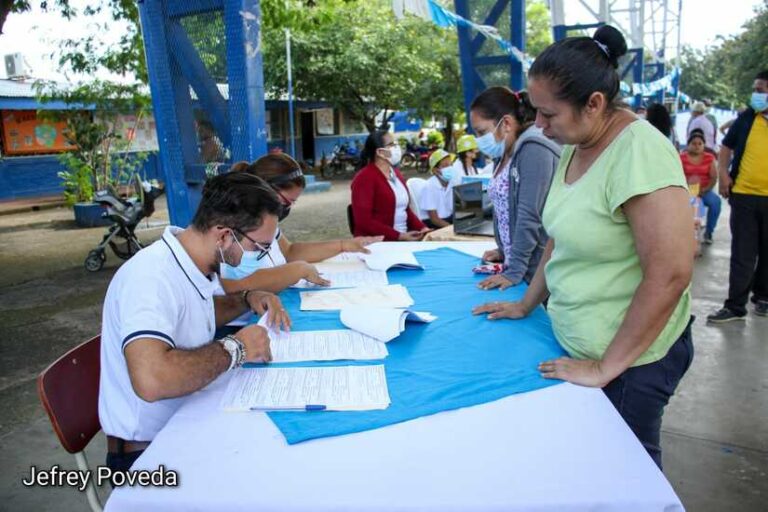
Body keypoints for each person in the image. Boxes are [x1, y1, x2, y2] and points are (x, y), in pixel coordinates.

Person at [473, 26, 694, 469]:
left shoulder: (639, 151)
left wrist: (605, 367)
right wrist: (526, 302)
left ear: (593, 103)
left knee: (626, 472)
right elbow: (560, 235)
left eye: (548, 114)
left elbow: (670, 272)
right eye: (535, 112)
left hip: (631, 363)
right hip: (581, 344)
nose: (539, 125)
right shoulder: (576, 143)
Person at [99, 172, 291, 473]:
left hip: (189, 422)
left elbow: (191, 312)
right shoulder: (150, 278)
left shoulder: (193, 262)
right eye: (259, 247)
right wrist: (237, 348)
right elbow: (152, 379)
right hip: (148, 454)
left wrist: (246, 298)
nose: (263, 255)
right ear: (224, 235)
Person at [221, 154, 382, 292]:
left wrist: (343, 246)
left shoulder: (266, 221)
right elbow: (225, 288)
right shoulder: (229, 228)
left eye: (293, 203)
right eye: (286, 201)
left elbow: (289, 251)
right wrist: (294, 271)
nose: (287, 208)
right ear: (265, 189)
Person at [469, 86, 561, 290]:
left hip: (534, 270)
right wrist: (504, 251)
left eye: (481, 132)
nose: (479, 140)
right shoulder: (503, 152)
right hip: (517, 264)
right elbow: (506, 209)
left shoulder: (534, 149)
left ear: (507, 123)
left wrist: (514, 271)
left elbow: (529, 216)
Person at [707, 70, 768, 323]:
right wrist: (723, 174)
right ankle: (735, 306)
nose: (756, 95)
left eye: (760, 90)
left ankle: (763, 298)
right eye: (755, 90)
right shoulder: (746, 118)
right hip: (743, 195)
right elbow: (726, 146)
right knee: (743, 253)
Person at [351, 131, 430, 241]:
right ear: (380, 152)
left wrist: (422, 228)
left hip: (402, 238)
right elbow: (364, 221)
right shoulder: (364, 178)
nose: (397, 148)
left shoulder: (395, 173)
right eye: (392, 144)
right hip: (377, 242)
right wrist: (399, 236)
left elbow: (405, 209)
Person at [680, 131, 721, 244]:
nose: (697, 146)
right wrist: (689, 191)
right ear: (688, 145)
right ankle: (687, 234)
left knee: (716, 202)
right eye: (694, 143)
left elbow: (714, 177)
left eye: (700, 144)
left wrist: (705, 189)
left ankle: (709, 232)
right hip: (687, 191)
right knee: (693, 206)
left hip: (704, 190)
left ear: (704, 145)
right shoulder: (681, 158)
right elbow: (678, 176)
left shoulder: (709, 158)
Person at [420, 149, 456, 229]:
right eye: (445, 166)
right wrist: (452, 228)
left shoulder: (452, 183)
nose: (450, 168)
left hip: (449, 219)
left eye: (451, 164)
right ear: (435, 170)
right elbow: (434, 219)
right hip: (434, 224)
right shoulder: (429, 186)